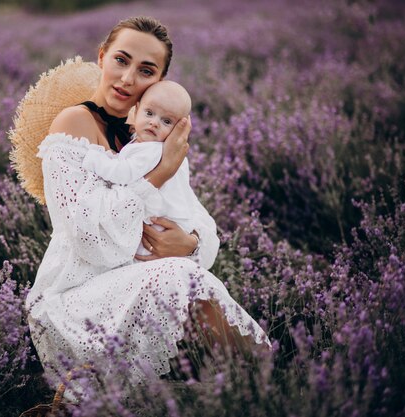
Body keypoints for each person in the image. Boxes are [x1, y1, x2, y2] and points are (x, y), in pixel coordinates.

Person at [24, 16, 271, 397]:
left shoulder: (150, 135)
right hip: (75, 294)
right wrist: (158, 174)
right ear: (102, 57)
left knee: (187, 274)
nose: (127, 79)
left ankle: (263, 382)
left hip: (132, 282)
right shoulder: (72, 124)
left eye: (146, 71)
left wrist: (188, 244)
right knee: (180, 277)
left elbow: (198, 219)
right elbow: (87, 237)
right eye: (121, 60)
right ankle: (264, 385)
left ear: (160, 81)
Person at [81, 79, 197, 257]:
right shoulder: (145, 143)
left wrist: (94, 159)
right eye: (149, 113)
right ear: (136, 110)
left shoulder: (152, 150)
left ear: (178, 130)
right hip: (162, 220)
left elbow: (123, 173)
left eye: (166, 121)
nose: (154, 123)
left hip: (159, 224)